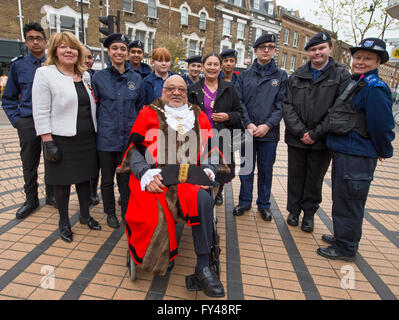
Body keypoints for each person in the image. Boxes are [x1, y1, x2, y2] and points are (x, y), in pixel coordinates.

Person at [119, 74, 225, 298]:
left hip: (188, 177)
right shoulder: (148, 112)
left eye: (181, 89)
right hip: (156, 177)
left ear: (187, 93)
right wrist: (145, 173)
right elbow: (133, 149)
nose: (176, 93)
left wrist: (208, 169)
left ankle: (203, 266)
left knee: (203, 199)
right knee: (152, 211)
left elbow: (212, 146)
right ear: (163, 91)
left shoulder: (198, 115)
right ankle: (158, 254)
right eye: (171, 89)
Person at [317, 38, 395, 261]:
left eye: (367, 58)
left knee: (351, 201)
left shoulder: (375, 88)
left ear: (378, 61)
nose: (360, 62)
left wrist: (384, 150)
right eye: (358, 57)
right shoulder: (358, 82)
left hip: (358, 155)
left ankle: (346, 247)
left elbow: (382, 126)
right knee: (342, 199)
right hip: (346, 152)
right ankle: (342, 237)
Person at [32, 32, 101, 243]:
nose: (68, 51)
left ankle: (84, 214)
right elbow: (41, 110)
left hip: (87, 137)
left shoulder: (85, 75)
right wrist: (48, 141)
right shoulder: (45, 74)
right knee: (61, 183)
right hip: (61, 139)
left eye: (72, 47)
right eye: (63, 47)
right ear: (54, 51)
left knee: (84, 179)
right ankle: (63, 221)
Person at [283, 32, 351, 233]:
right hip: (297, 139)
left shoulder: (341, 75)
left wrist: (315, 133)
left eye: (321, 48)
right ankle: (293, 211)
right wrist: (302, 131)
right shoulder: (297, 75)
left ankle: (309, 214)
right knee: (295, 176)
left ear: (330, 48)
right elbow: (287, 105)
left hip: (322, 140)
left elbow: (340, 109)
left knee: (315, 179)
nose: (317, 53)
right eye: (313, 49)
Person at [2, 22, 56, 220]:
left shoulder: (54, 64)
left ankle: (52, 196)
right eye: (31, 38)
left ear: (45, 41)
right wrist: (17, 121)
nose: (35, 42)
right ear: (26, 41)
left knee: (53, 160)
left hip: (52, 121)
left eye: (39, 38)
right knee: (29, 163)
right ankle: (31, 199)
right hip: (28, 121)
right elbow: (8, 98)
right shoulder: (18, 65)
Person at [92, 33, 144, 229]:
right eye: (115, 48)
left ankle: (126, 211)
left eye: (123, 49)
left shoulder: (136, 79)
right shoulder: (99, 78)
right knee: (106, 179)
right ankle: (110, 212)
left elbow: (141, 109)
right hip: (106, 138)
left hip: (128, 140)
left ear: (128, 53)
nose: (119, 52)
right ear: (109, 51)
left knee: (126, 178)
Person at [233, 34, 288, 221]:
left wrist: (268, 125)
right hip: (247, 131)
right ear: (255, 50)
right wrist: (248, 123)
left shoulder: (281, 76)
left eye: (271, 47)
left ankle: (264, 204)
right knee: (246, 168)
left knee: (266, 171)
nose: (266, 50)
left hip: (269, 134)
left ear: (274, 51)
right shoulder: (244, 76)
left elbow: (281, 104)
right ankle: (244, 201)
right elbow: (239, 103)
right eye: (262, 47)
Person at [187, 53, 242, 206]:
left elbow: (239, 114)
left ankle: (210, 210)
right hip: (199, 142)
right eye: (209, 64)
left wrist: (228, 116)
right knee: (199, 177)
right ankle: (200, 208)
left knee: (217, 177)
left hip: (221, 141)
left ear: (220, 67)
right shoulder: (192, 89)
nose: (212, 68)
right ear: (203, 66)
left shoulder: (229, 88)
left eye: (215, 64)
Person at [83, 45, 100, 206]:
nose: (88, 61)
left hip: (95, 127)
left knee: (94, 164)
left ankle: (92, 191)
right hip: (78, 128)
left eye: (90, 57)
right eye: (85, 57)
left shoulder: (93, 77)